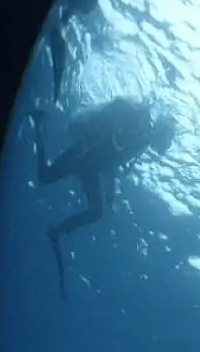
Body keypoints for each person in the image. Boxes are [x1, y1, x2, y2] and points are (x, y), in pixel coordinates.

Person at [29, 98, 176, 298]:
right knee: (45, 177)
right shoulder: (136, 126)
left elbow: (111, 164)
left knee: (95, 212)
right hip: (85, 154)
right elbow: (110, 160)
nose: (159, 146)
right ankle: (38, 123)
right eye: (163, 141)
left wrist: (110, 198)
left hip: (91, 164)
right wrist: (110, 197)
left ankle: (56, 231)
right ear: (160, 132)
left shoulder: (140, 140)